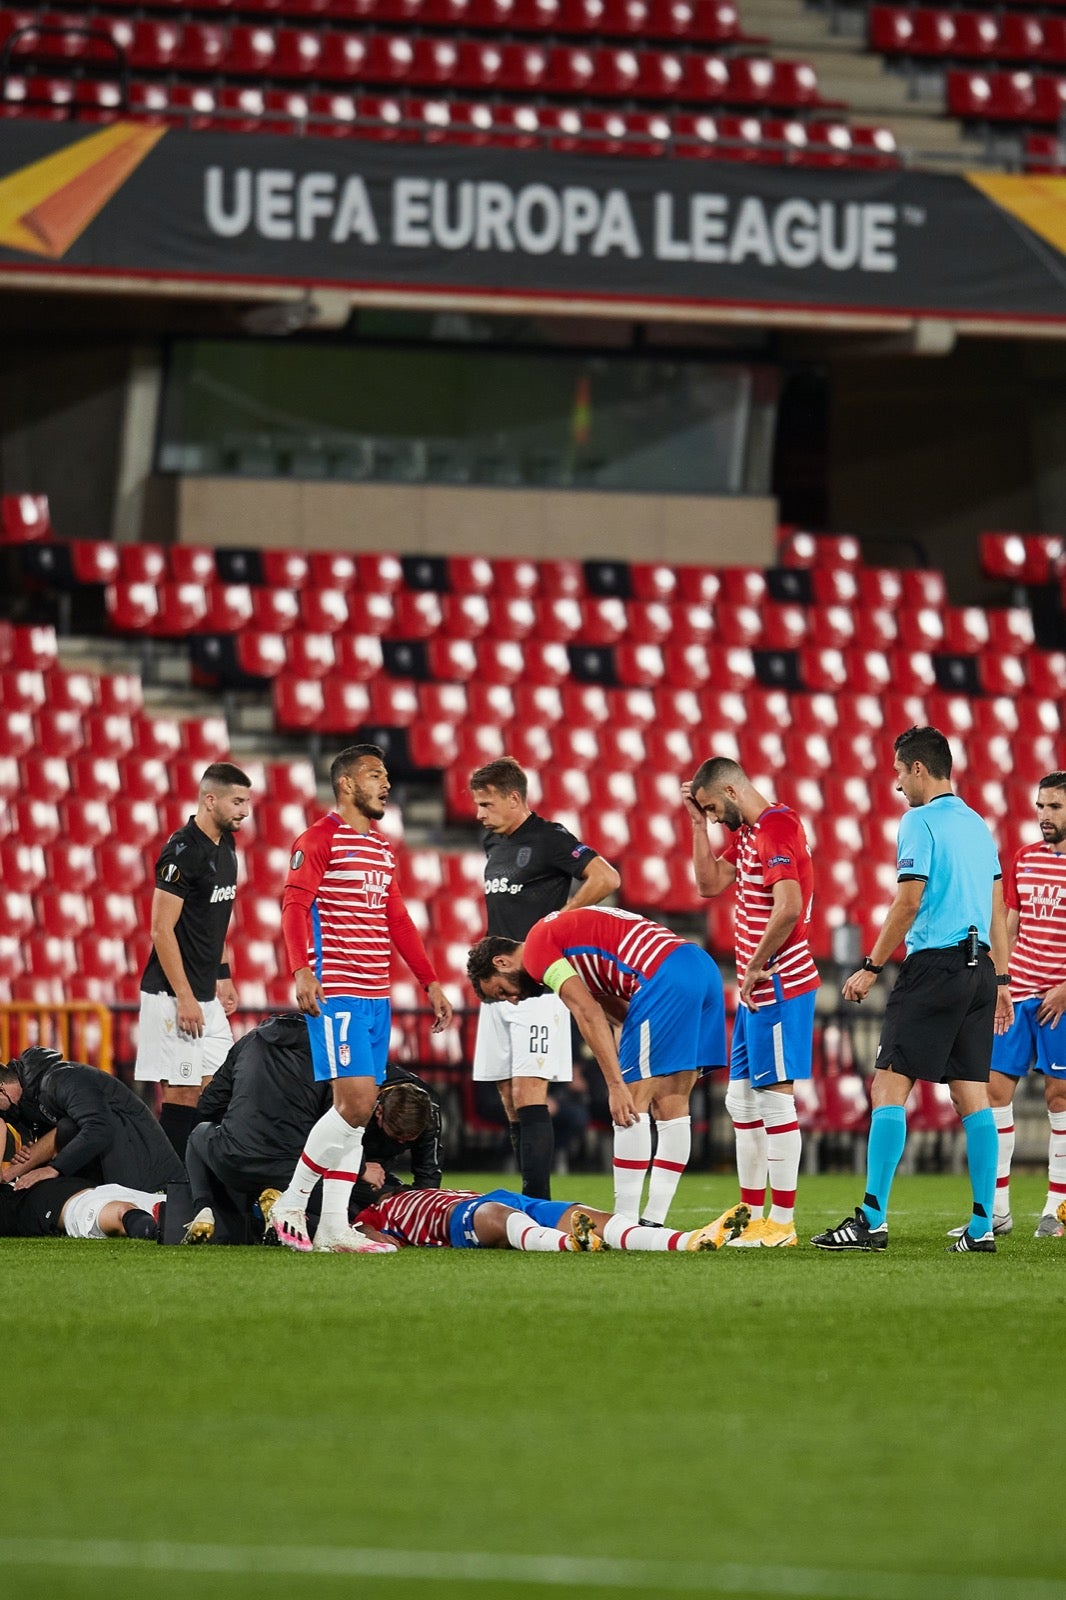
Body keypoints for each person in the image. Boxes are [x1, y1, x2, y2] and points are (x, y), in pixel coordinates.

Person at [812, 725, 1014, 1255]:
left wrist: (871, 966)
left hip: (934, 968)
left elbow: (908, 902)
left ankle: (871, 1220)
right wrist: (1002, 979)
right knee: (972, 1096)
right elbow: (998, 908)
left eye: (901, 772)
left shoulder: (918, 821)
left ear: (919, 769)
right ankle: (981, 1226)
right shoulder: (978, 825)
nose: (898, 784)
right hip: (979, 971)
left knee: (887, 1087)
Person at [269, 744, 453, 1254]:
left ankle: (332, 1226)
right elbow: (294, 905)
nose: (386, 784)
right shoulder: (318, 839)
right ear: (347, 784)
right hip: (340, 991)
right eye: (375, 775)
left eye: (386, 775)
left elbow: (398, 919)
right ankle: (290, 1202)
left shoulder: (381, 848)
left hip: (376, 995)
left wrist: (430, 981)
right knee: (355, 1105)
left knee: (354, 1115)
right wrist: (301, 969)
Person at [467, 905, 734, 1230]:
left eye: (501, 991)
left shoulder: (537, 950)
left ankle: (624, 1222)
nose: (512, 1000)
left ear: (502, 962)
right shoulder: (569, 947)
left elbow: (587, 1012)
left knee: (630, 1107)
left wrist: (617, 1085)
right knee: (673, 1104)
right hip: (700, 966)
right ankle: (653, 1221)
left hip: (663, 976)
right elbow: (617, 1013)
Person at [683, 757, 820, 1249]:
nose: (713, 817)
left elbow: (788, 906)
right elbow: (707, 885)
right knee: (740, 1100)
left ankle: (781, 1223)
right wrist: (697, 825)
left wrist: (757, 964)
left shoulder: (776, 828)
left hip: (778, 984)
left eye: (712, 808)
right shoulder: (750, 833)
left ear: (731, 792)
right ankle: (748, 1214)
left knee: (774, 1101)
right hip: (755, 991)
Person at [469, 757, 620, 1201]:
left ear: (514, 798)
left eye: (486, 804)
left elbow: (606, 876)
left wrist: (559, 920)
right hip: (498, 985)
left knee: (529, 1091)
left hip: (537, 982)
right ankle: (527, 1196)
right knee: (507, 1096)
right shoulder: (493, 843)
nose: (479, 814)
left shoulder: (550, 838)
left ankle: (537, 1202)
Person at [183, 1014, 441, 1244]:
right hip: (299, 1165)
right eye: (396, 1135)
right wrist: (362, 1169)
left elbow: (209, 1105)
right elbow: (332, 1130)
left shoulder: (250, 1043)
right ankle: (336, 1221)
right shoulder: (338, 1067)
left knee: (200, 1135)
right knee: (342, 1190)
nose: (400, 1143)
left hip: (241, 1158)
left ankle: (204, 1207)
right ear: (379, 1110)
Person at [946, 771, 1066, 1241]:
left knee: (1059, 1099)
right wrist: (1001, 982)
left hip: (1061, 999)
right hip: (1019, 994)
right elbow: (1010, 927)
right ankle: (996, 1210)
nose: (1044, 815)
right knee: (994, 1094)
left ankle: (1057, 1209)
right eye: (1040, 806)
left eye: (1054, 807)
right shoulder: (1025, 859)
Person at [134, 761, 253, 1161]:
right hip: (172, 995)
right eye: (237, 802)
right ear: (210, 800)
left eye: (247, 802)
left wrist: (224, 974)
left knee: (221, 1089)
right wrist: (185, 997)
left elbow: (212, 918)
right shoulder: (182, 852)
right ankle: (171, 1184)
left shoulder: (227, 846)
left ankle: (197, 1176)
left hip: (205, 994)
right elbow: (161, 929)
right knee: (182, 1093)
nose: (245, 811)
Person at [349, 1184, 748, 1253]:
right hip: (455, 1219)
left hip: (493, 1197)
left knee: (587, 1214)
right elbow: (366, 1236)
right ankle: (568, 1243)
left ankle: (686, 1239)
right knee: (499, 1217)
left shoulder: (414, 1190)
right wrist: (372, 1233)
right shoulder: (376, 1213)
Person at [1, 1047, 184, 1195]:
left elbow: (99, 1127)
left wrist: (54, 1168)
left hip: (146, 1167)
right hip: (109, 1160)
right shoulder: (27, 1098)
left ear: (2, 1089)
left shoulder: (63, 1079)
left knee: (72, 1126)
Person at [0, 1173, 162, 1240]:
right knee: (122, 1214)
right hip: (62, 1205)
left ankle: (160, 1226)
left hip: (94, 1189)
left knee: (169, 1207)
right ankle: (156, 1229)